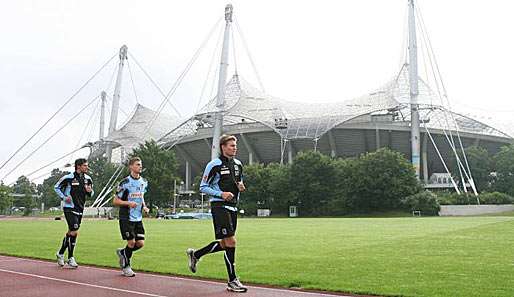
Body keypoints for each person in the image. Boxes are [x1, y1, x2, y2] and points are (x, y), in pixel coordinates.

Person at [187, 134, 248, 293]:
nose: (235, 148)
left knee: (226, 243)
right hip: (219, 206)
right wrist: (221, 194)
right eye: (231, 145)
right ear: (223, 147)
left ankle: (196, 254)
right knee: (231, 242)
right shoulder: (214, 165)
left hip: (233, 207)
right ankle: (232, 280)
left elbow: (238, 182)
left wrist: (240, 187)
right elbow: (203, 187)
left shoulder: (238, 164)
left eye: (235, 145)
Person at [54, 158, 93, 268]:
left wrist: (90, 191)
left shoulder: (88, 179)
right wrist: (63, 197)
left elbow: (90, 192)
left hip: (80, 208)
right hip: (69, 207)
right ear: (78, 166)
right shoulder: (69, 177)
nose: (87, 167)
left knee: (72, 232)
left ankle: (60, 253)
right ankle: (71, 258)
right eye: (85, 165)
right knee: (74, 231)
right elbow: (56, 187)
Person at [113, 157, 149, 277]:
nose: (140, 166)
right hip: (126, 217)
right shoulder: (125, 183)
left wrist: (144, 206)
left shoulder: (143, 182)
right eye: (138, 164)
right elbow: (116, 201)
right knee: (131, 243)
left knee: (140, 244)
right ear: (131, 166)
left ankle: (123, 253)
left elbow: (141, 196)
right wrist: (129, 203)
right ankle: (126, 266)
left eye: (141, 164)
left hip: (138, 218)